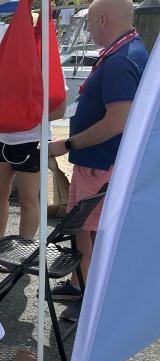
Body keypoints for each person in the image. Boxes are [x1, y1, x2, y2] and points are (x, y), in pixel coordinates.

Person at [48, 0, 148, 300]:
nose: (89, 30)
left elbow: (117, 120)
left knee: (90, 230)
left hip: (100, 165)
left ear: (103, 18)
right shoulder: (131, 51)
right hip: (103, 163)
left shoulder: (120, 61)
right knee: (87, 230)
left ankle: (88, 292)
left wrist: (68, 144)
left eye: (90, 23)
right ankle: (85, 286)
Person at [0, 14, 68, 246]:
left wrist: (23, 120)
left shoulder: (49, 64)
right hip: (0, 138)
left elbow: (59, 110)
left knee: (28, 200)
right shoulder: (7, 61)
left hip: (31, 141)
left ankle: (22, 251)